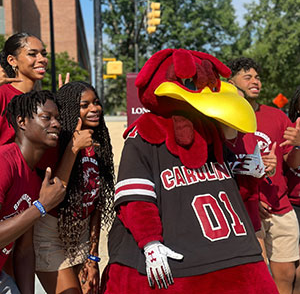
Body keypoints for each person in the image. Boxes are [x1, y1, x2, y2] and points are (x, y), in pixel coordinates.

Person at [101, 48, 279, 293]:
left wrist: (250, 175)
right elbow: (135, 198)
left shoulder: (210, 131)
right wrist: (150, 241)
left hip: (231, 250)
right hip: (180, 256)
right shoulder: (145, 132)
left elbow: (234, 192)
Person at [227, 57, 300, 293]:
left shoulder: (277, 117)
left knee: (287, 275)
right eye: (247, 77)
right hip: (245, 209)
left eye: (257, 77)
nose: (255, 81)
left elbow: (292, 164)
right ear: (231, 81)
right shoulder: (224, 119)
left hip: (281, 205)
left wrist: (298, 146)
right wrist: (248, 196)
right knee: (255, 278)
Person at [34, 81, 115, 294]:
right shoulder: (55, 144)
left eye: (96, 103)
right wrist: (74, 148)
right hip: (50, 234)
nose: (94, 109)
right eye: (85, 105)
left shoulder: (99, 144)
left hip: (81, 234)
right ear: (71, 109)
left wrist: (93, 256)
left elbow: (96, 202)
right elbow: (54, 191)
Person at [0, 90, 66, 293]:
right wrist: (42, 206)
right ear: (21, 121)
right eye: (46, 117)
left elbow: (24, 249)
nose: (56, 124)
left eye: (57, 118)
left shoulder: (35, 177)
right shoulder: (4, 162)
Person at [0, 32, 69, 145]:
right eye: (32, 54)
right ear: (12, 60)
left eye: (44, 54)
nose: (42, 59)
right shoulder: (2, 94)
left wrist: (61, 105)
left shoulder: (44, 102)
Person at [284, 86, 300, 294]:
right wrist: (297, 145)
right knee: (292, 272)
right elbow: (293, 164)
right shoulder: (288, 127)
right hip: (292, 206)